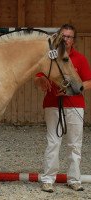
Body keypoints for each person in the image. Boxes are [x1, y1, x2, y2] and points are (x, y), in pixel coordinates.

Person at [34, 24, 91, 193]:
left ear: (73, 40)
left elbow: (88, 81)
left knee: (74, 144)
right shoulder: (50, 57)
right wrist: (41, 82)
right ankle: (48, 179)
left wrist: (72, 89)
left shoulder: (80, 59)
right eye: (63, 36)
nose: (65, 39)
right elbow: (37, 78)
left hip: (75, 106)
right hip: (53, 105)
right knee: (53, 143)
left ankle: (74, 179)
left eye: (68, 37)